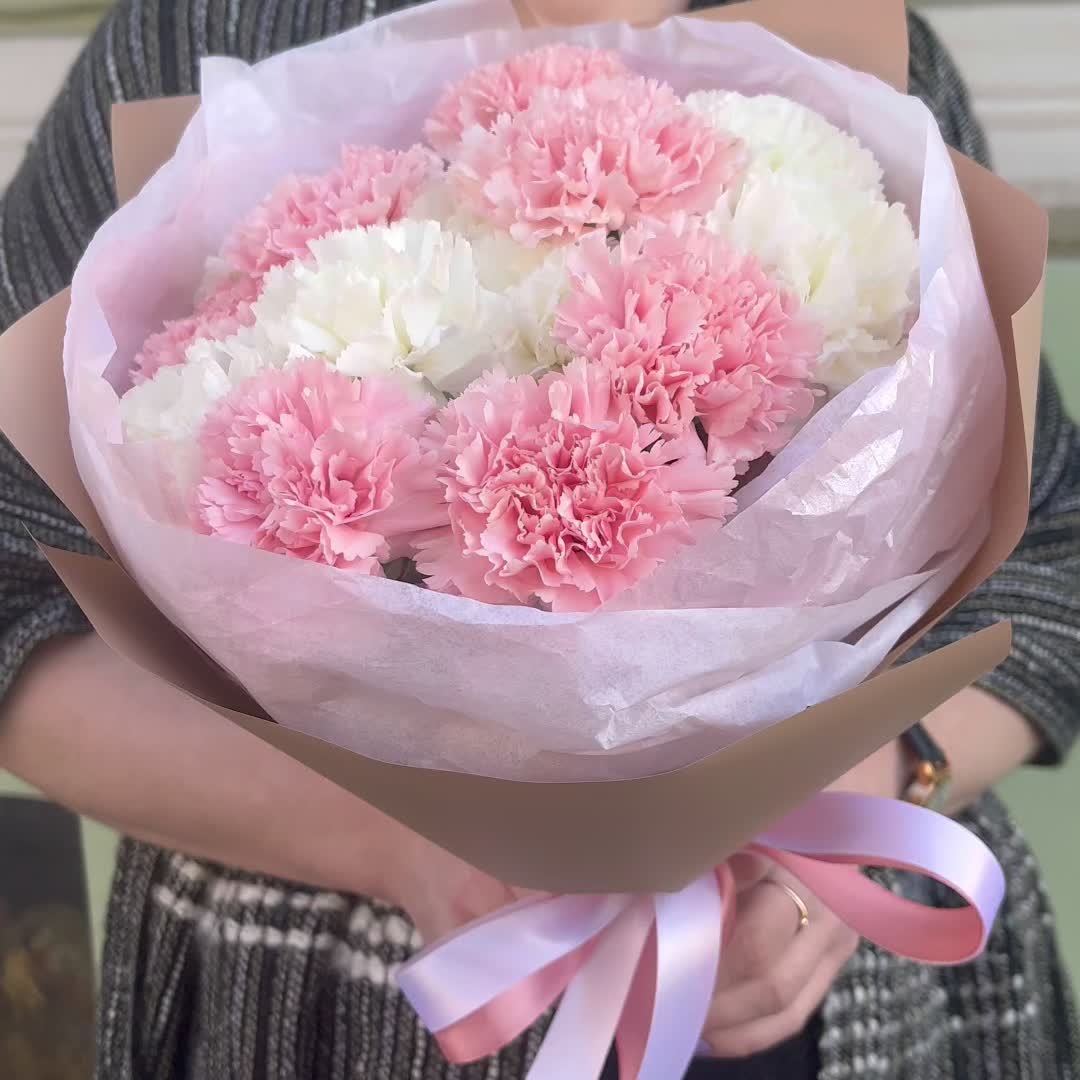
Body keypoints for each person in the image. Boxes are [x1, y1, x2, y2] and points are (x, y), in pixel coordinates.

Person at [0, 1, 1078, 1077]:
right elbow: (15, 608)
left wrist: (875, 789)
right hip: (326, 996)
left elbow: (1049, 556)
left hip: (840, 983)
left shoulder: (851, 46)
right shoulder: (200, 30)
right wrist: (405, 842)